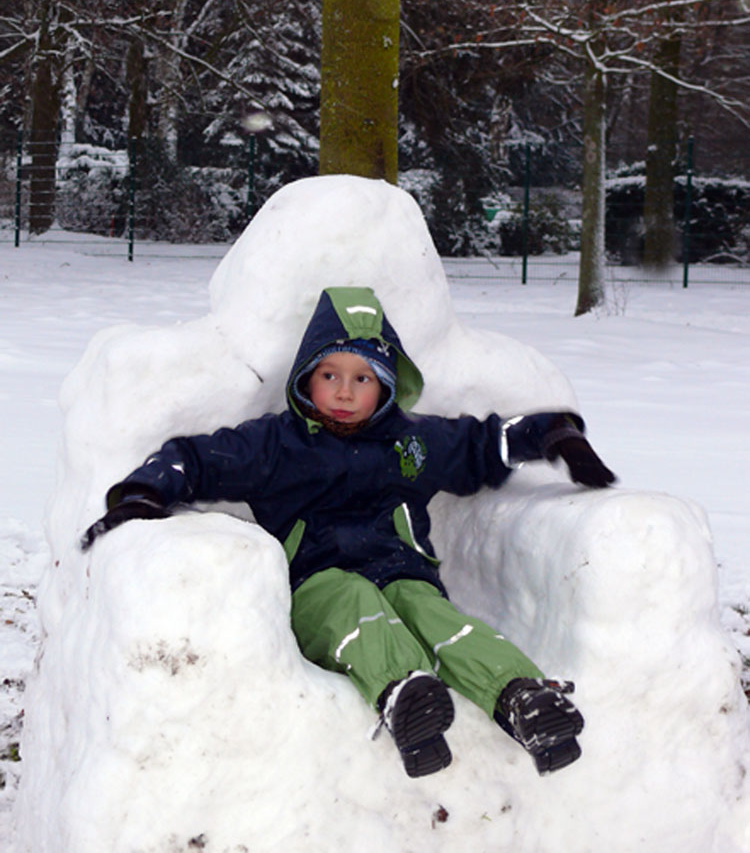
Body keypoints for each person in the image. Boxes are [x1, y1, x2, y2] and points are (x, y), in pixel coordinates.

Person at [80, 286, 616, 778]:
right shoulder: (277, 444)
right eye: (329, 374)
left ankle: (521, 696)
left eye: (362, 378)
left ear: (385, 384)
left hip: (404, 572)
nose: (343, 391)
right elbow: (196, 459)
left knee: (434, 614)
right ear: (306, 377)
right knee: (354, 600)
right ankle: (407, 694)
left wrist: (553, 436)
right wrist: (145, 491)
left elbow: (481, 443)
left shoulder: (412, 443)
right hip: (318, 584)